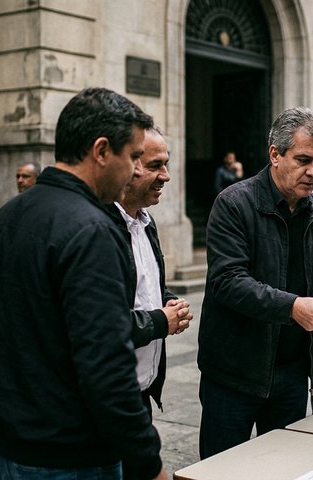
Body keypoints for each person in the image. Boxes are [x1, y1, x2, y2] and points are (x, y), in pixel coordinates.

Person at [0, 88, 169, 480]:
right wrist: (149, 462)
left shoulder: (5, 217)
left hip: (12, 441)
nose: (132, 171)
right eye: (131, 158)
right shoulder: (93, 229)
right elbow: (106, 366)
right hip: (74, 453)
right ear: (101, 150)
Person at [197, 107, 313, 459]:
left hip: (293, 374)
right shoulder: (234, 204)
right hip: (234, 374)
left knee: (282, 467)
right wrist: (293, 307)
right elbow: (229, 281)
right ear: (275, 154)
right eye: (303, 160)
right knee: (220, 469)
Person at [108, 126, 194, 415]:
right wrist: (160, 321)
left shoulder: (146, 223)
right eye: (155, 165)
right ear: (126, 165)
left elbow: (143, 286)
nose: (166, 176)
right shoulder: (99, 230)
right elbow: (102, 323)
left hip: (141, 392)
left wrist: (168, 301)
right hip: (109, 396)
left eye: (166, 164)